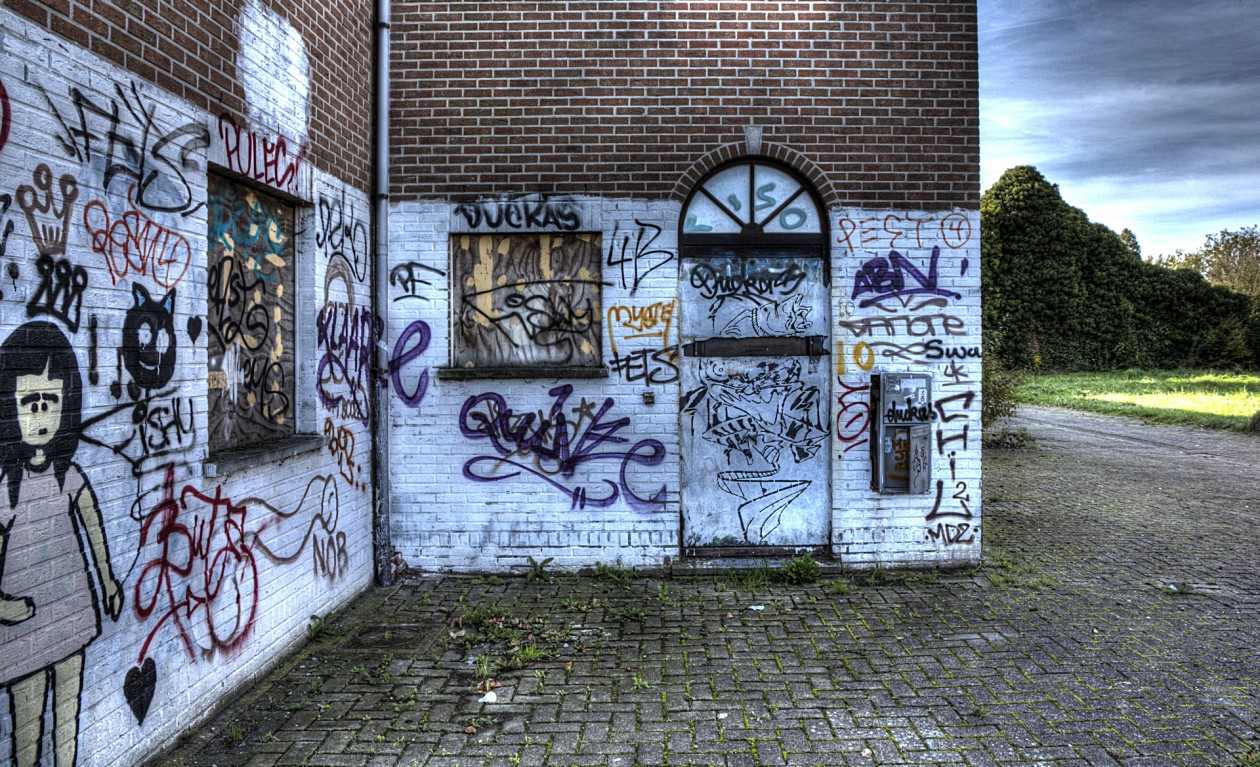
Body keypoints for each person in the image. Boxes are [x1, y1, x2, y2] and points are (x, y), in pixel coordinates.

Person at [0, 321, 122, 767]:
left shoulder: (65, 476)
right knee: (26, 731)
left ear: (65, 406)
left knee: (68, 723)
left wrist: (107, 580)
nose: (38, 414)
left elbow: (91, 520)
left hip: (71, 608)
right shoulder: (6, 491)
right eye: (27, 401)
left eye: (49, 401)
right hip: (24, 626)